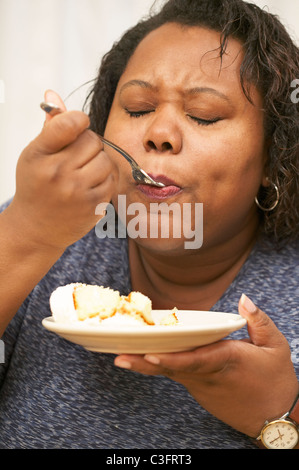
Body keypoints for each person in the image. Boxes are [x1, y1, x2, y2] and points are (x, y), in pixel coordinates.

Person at [0, 0, 298, 449]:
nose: (159, 132)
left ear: (273, 159)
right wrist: (25, 235)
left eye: (204, 115)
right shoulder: (41, 225)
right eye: (137, 108)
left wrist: (279, 417)